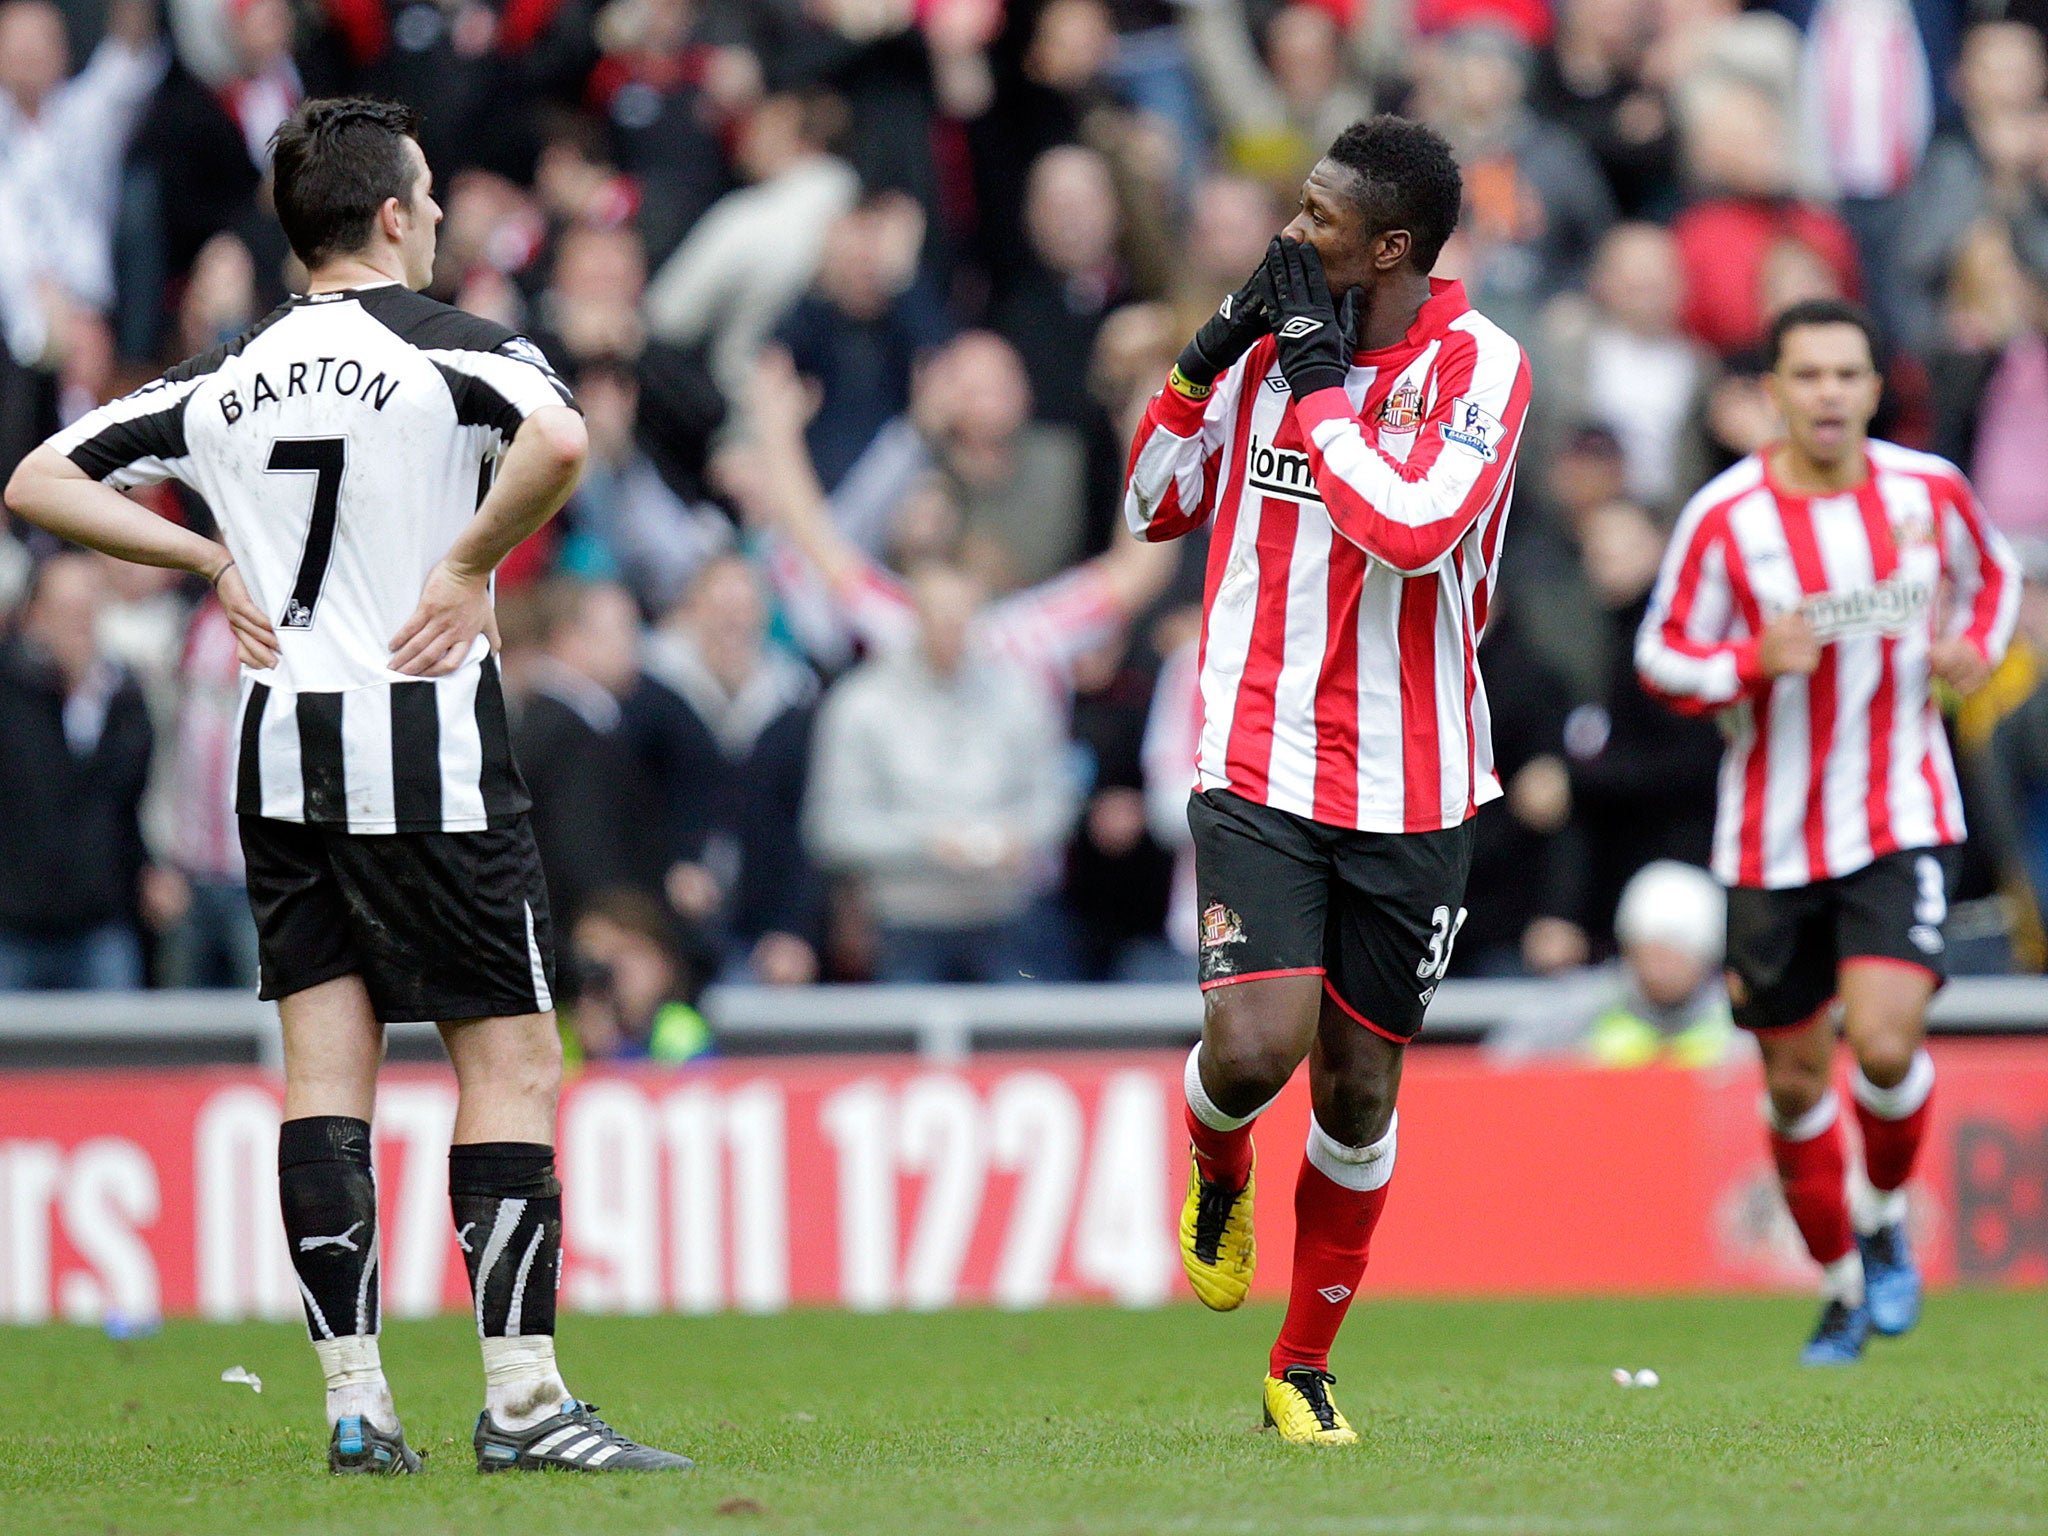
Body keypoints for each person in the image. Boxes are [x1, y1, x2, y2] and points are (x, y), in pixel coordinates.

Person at [3, 97, 688, 1474]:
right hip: (422, 752)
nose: (435, 218)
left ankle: (358, 1407)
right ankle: (521, 1404)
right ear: (392, 214)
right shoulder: (456, 350)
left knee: (326, 1078)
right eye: (426, 198)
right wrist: (468, 562)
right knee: (511, 1063)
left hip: (277, 754)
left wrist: (203, 560)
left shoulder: (229, 372)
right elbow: (559, 444)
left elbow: (36, 479)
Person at [1125, 115, 1529, 1444]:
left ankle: (1301, 1367)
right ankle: (1218, 1149)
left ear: (1392, 248)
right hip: (1256, 752)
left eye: (1318, 219)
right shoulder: (1275, 348)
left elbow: (1412, 533)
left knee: (1359, 1086)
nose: (1289, 236)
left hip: (1417, 783)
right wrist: (1203, 361)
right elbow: (1155, 504)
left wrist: (1312, 383)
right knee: (1254, 1046)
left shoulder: (1480, 365)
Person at [1636, 297, 2020, 1365]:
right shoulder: (1725, 517)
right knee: (1795, 1082)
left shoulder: (1925, 493)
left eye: (1845, 375)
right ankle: (1844, 1282)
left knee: (1886, 1042)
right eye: (1806, 376)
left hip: (1900, 810)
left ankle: (1886, 1212)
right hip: (1766, 837)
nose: (1827, 395)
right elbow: (1661, 654)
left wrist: (1972, 648)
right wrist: (1746, 664)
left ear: (1869, 388)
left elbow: (1990, 585)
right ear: (1772, 391)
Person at [1488, 859, 1735, 1067]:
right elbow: (1502, 1064)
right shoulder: (1579, 1008)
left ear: (1707, 955)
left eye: (1676, 950)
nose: (1658, 966)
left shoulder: (1738, 1026)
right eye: (1646, 945)